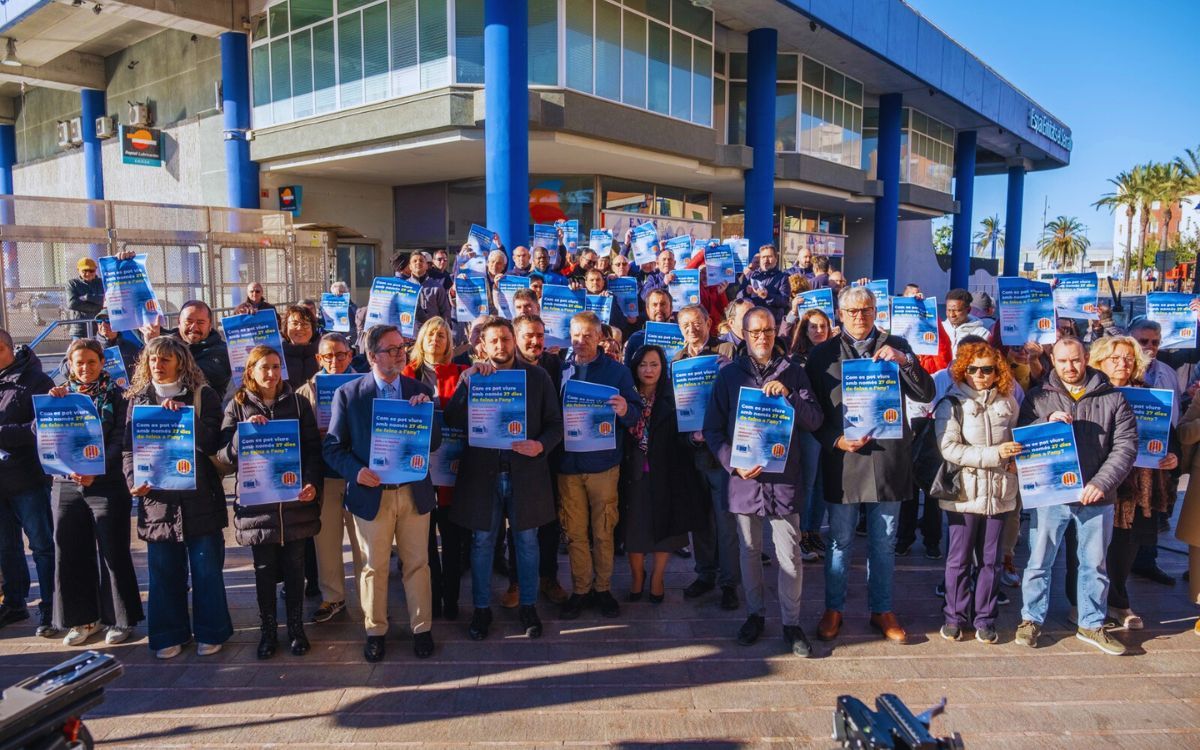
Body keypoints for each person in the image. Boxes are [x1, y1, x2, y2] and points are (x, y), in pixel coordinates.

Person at [806, 285, 936, 645]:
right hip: (845, 459)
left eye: (866, 310)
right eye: (852, 312)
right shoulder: (823, 355)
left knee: (884, 541)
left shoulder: (896, 345)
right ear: (840, 315)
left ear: (876, 310)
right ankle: (834, 608)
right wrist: (834, 439)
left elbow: (926, 393)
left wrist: (905, 362)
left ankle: (881, 609)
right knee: (840, 541)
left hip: (888, 459)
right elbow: (811, 412)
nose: (860, 317)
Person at [703, 307, 823, 655]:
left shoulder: (794, 373)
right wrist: (732, 464)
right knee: (749, 551)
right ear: (743, 334)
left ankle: (791, 623)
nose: (762, 338)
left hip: (783, 480)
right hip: (744, 482)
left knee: (789, 555)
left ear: (776, 333)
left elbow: (814, 420)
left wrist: (788, 397)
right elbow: (712, 430)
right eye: (754, 332)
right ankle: (755, 614)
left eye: (768, 331)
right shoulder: (728, 376)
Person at [322, 324, 440, 662]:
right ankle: (375, 631)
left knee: (418, 563)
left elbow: (434, 443)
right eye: (391, 349)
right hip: (371, 495)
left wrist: (424, 415)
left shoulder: (419, 389)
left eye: (402, 348)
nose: (400, 353)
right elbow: (332, 448)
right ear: (372, 356)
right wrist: (356, 471)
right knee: (374, 567)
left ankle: (422, 628)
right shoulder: (350, 394)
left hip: (412, 492)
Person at [1016, 337, 1137, 655]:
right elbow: (1021, 437)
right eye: (1063, 361)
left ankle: (1091, 623)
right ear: (1052, 361)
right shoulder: (1038, 397)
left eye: (1076, 360)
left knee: (1094, 564)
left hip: (1097, 496)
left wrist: (1102, 483)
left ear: (1087, 359)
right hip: (1051, 495)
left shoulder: (1113, 398)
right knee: (1039, 561)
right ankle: (1031, 619)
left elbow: (1125, 447)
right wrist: (1045, 422)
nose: (1070, 367)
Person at [445, 317, 562, 639]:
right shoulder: (473, 377)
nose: (501, 346)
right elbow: (454, 419)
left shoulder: (537, 377)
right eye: (493, 341)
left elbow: (555, 424)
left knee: (526, 542)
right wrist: (466, 383)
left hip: (526, 473)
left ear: (514, 341)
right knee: (482, 543)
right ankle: (481, 610)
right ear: (481, 345)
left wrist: (540, 444)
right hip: (483, 475)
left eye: (506, 340)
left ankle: (528, 605)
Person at [123, 335, 232, 659]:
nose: (157, 365)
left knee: (206, 570)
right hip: (158, 501)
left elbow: (215, 442)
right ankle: (168, 633)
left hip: (200, 499)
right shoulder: (139, 400)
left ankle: (211, 631)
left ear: (180, 363)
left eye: (165, 360)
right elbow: (129, 450)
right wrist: (133, 480)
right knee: (163, 571)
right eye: (153, 360)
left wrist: (186, 419)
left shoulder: (203, 395)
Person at [217, 345, 323, 659]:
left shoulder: (299, 403)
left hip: (294, 503)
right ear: (250, 371)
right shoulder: (236, 405)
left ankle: (295, 629)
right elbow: (223, 456)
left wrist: (312, 484)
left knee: (295, 569)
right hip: (258, 507)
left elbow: (313, 452)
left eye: (276, 367)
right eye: (264, 367)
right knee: (263, 570)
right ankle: (267, 632)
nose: (272, 373)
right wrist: (243, 434)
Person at [1065, 336, 1176, 631]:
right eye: (1114, 358)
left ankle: (1117, 601)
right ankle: (1081, 604)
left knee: (1125, 548)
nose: (1122, 364)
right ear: (1099, 361)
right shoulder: (1088, 393)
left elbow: (1170, 436)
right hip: (1095, 482)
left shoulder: (1151, 396)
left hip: (1138, 486)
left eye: (1128, 358)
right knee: (1087, 548)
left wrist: (1172, 457)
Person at [45, 339, 143, 646]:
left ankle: (119, 619)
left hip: (107, 483)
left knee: (113, 552)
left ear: (102, 362)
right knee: (70, 551)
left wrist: (96, 469)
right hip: (66, 484)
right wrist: (51, 405)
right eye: (79, 363)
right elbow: (42, 435)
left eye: (91, 361)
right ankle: (83, 620)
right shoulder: (60, 397)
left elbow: (120, 439)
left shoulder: (119, 396)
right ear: (70, 366)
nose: (85, 368)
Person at [933, 341, 1022, 644]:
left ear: (998, 371)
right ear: (963, 370)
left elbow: (1019, 439)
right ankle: (954, 616)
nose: (981, 375)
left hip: (999, 492)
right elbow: (949, 448)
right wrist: (996, 455)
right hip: (964, 493)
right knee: (958, 559)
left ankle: (985, 618)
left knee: (991, 560)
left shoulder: (1009, 402)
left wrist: (1015, 459)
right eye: (974, 369)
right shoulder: (951, 403)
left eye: (988, 369)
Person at [558, 311, 642, 619]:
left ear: (600, 339)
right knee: (575, 532)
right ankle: (581, 589)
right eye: (576, 335)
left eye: (588, 336)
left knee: (604, 530)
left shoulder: (617, 372)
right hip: (568, 464)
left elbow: (635, 412)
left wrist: (624, 409)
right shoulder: (561, 368)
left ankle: (603, 587)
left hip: (604, 465)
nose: (581, 341)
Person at [624, 345, 706, 603]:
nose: (648, 370)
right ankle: (638, 576)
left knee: (666, 530)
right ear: (635, 368)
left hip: (668, 472)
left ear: (663, 368)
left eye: (654, 364)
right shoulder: (626, 395)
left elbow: (684, 437)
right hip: (633, 473)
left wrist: (695, 438)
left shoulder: (676, 397)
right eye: (643, 365)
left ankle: (658, 577)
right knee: (633, 529)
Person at [672, 305, 739, 610]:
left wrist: (732, 371)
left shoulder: (727, 350)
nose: (692, 329)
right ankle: (705, 574)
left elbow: (745, 391)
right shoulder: (676, 361)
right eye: (685, 325)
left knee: (726, 522)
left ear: (709, 322)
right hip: (691, 452)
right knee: (700, 519)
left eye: (697, 323)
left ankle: (729, 583)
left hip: (722, 451)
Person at [403, 316, 470, 620]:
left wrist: (480, 371)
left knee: (453, 542)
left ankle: (451, 600)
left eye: (442, 335)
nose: (436, 340)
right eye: (431, 335)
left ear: (448, 342)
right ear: (421, 340)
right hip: (420, 473)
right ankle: (431, 596)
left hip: (454, 474)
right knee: (424, 544)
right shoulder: (407, 375)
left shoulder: (461, 373)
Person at [295, 333, 364, 624]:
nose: (334, 361)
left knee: (364, 543)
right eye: (327, 356)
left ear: (350, 356)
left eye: (340, 355)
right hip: (325, 475)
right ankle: (332, 597)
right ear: (318, 359)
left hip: (358, 473)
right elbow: (297, 436)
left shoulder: (365, 385)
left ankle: (369, 598)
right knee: (326, 541)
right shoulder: (305, 392)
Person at [0, 329, 57, 636]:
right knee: (5, 547)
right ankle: (14, 601)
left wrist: (4, 433)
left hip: (27, 478)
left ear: (10, 349)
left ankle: (50, 606)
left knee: (42, 545)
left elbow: (42, 426)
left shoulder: (36, 381)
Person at [789, 309, 834, 560]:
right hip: (808, 427)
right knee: (807, 481)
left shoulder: (836, 354)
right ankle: (802, 535)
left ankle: (814, 530)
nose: (819, 331)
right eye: (813, 327)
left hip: (831, 426)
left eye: (823, 326)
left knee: (822, 483)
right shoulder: (796, 359)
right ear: (804, 330)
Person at [141, 300, 232, 400]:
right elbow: (142, 373)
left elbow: (197, 377)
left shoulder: (223, 351)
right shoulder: (163, 340)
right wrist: (152, 345)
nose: (194, 327)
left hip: (200, 411)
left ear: (210, 325)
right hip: (158, 409)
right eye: (188, 322)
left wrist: (156, 346)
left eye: (200, 322)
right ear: (179, 323)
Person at [402, 251, 454, 329]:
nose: (418, 263)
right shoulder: (403, 287)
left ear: (427, 266)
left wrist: (443, 329)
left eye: (421, 260)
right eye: (414, 261)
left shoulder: (437, 287)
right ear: (410, 266)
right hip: (410, 334)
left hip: (433, 333)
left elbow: (445, 312)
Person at [623, 289, 674, 366]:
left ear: (671, 309)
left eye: (663, 304)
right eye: (654, 305)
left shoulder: (683, 336)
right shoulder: (636, 338)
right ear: (647, 310)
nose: (659, 309)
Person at [281, 304, 321, 391]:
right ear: (286, 326)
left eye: (305, 324)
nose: (300, 328)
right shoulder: (277, 355)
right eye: (294, 323)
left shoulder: (324, 354)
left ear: (312, 328)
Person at [66, 257, 105, 339]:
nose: (88, 274)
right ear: (78, 270)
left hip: (99, 328)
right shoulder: (72, 283)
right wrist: (97, 306)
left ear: (95, 270)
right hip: (80, 329)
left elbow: (106, 300)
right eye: (84, 271)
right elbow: (72, 304)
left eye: (91, 271)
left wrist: (87, 297)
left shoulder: (101, 283)